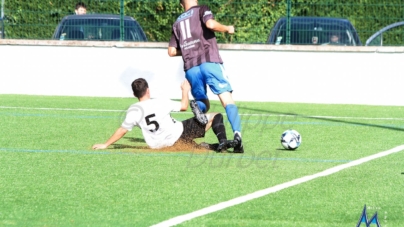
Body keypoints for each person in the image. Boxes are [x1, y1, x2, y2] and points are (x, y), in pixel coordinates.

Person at [168, 0, 244, 153]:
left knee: (203, 103)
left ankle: (198, 106)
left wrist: (189, 48)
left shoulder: (177, 22)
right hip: (209, 62)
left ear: (181, 4)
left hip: (191, 68)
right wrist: (228, 28)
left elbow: (171, 51)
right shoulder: (202, 9)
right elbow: (210, 25)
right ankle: (237, 137)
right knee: (227, 99)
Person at [92, 78, 237, 152]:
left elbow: (122, 130)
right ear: (148, 90)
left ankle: (209, 146)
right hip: (180, 132)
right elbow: (184, 106)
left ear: (134, 94)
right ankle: (222, 142)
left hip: (160, 145)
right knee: (216, 115)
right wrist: (185, 90)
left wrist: (105, 144)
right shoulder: (160, 102)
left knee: (195, 147)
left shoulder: (134, 110)